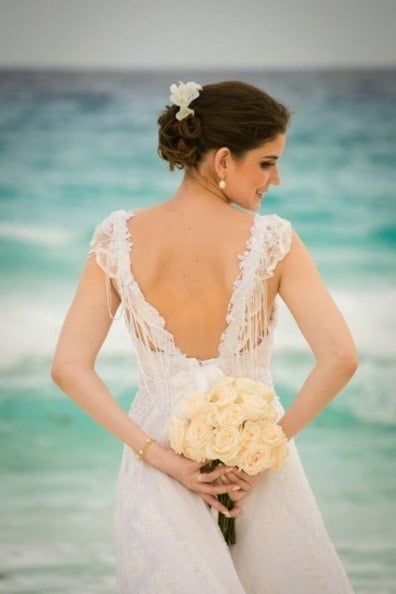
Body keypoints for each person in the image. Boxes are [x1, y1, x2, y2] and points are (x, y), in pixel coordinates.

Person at [51, 80, 359, 593]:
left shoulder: (117, 239)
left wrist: (163, 458)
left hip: (159, 469)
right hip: (253, 474)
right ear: (222, 160)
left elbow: (68, 367)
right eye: (266, 162)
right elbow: (340, 358)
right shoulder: (274, 241)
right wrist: (267, 445)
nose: (275, 179)